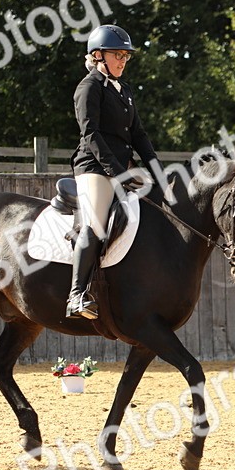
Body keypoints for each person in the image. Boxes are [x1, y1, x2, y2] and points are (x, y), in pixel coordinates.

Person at [66, 24, 165, 319]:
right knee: (96, 223)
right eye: (117, 54)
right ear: (98, 55)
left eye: (126, 56)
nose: (123, 60)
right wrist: (118, 171)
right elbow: (91, 135)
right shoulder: (89, 87)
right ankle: (76, 294)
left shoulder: (125, 91)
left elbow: (139, 135)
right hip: (94, 168)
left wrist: (158, 172)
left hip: (122, 167)